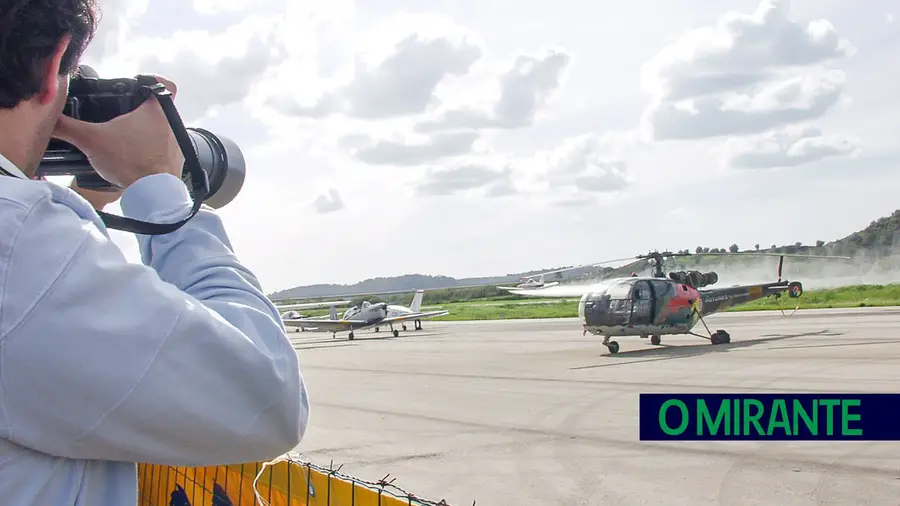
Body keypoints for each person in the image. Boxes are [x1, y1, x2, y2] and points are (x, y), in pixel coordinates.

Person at [0, 1, 309, 504]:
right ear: (53, 64)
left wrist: (81, 211)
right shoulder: (18, 244)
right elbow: (268, 398)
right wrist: (160, 187)